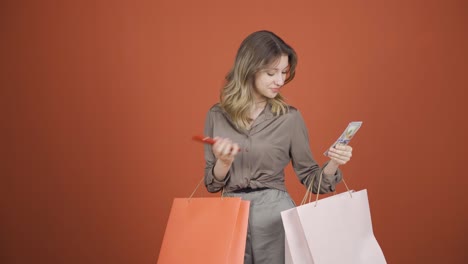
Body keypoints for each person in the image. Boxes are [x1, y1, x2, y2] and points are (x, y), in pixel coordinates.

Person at [203, 30, 353, 264]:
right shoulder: (217, 115)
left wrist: (334, 163)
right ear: (249, 69)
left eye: (284, 72)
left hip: (276, 220)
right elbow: (212, 184)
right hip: (231, 221)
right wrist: (223, 163)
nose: (280, 81)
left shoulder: (289, 118)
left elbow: (311, 178)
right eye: (271, 73)